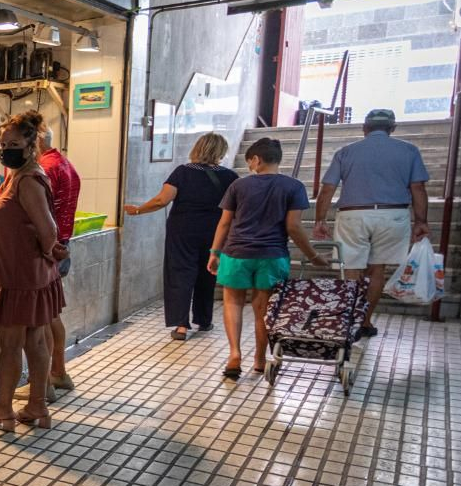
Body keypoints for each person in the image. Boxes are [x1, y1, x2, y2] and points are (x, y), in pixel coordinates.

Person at [209, 138, 327, 380]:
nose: (250, 165)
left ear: (257, 159)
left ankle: (234, 354)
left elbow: (224, 222)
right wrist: (313, 256)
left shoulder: (238, 186)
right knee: (263, 309)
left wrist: (214, 252)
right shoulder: (293, 187)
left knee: (232, 303)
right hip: (272, 256)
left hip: (236, 253)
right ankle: (260, 360)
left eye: (249, 161)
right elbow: (293, 227)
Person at [0, 112, 65, 431]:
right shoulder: (18, 174)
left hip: (19, 276)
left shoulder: (28, 178)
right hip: (28, 274)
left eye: (13, 143)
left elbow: (49, 229)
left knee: (11, 344)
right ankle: (37, 408)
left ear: (31, 145)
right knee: (35, 340)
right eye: (2, 143)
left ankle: (3, 411)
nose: (6, 149)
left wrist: (41, 252)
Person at [311, 108, 430, 337]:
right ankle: (365, 321)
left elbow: (327, 189)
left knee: (352, 270)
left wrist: (320, 219)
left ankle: (349, 322)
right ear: (392, 128)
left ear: (364, 128)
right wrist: (421, 221)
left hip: (352, 215)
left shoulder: (346, 152)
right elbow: (418, 188)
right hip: (393, 215)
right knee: (378, 269)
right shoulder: (409, 151)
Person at [125, 132, 238, 341]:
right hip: (214, 232)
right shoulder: (229, 177)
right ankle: (204, 320)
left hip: (183, 232)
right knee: (208, 273)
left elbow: (162, 200)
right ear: (221, 152)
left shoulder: (183, 172)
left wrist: (139, 210)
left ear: (197, 148)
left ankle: (181, 326)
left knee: (180, 274)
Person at [36, 125, 80, 393]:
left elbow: (39, 214)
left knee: (40, 319)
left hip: (45, 250)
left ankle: (42, 385)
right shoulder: (65, 163)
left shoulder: (44, 169)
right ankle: (58, 372)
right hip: (61, 245)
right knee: (51, 314)